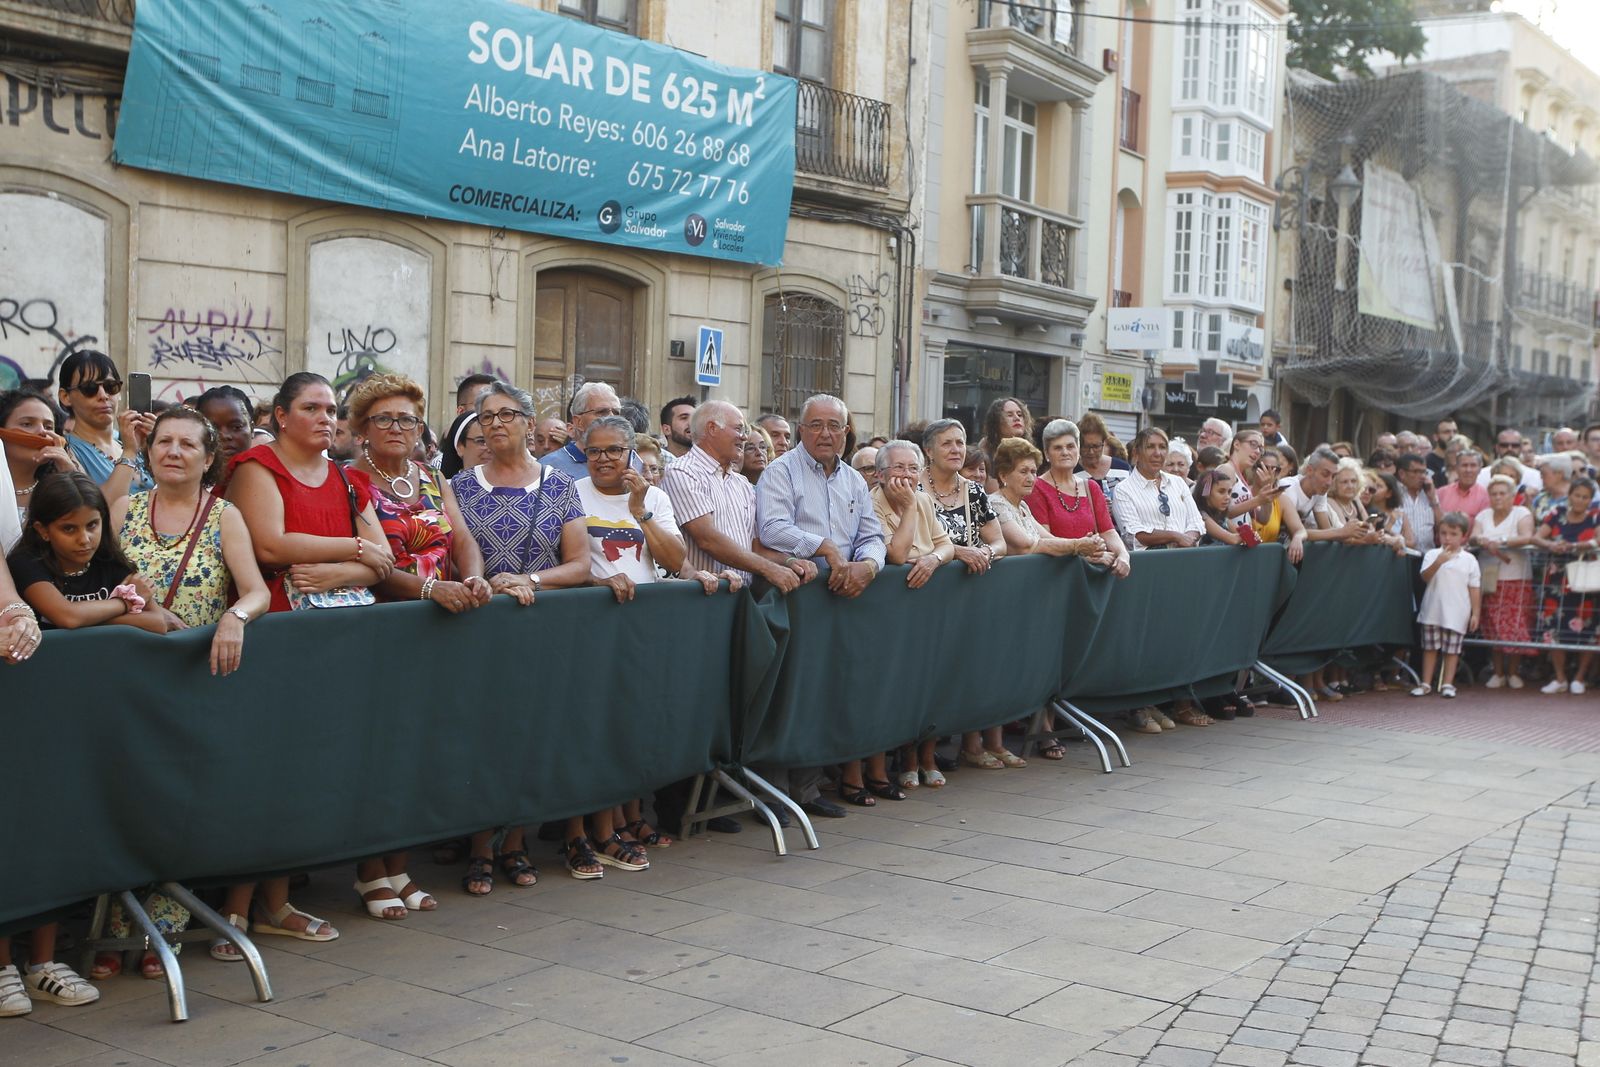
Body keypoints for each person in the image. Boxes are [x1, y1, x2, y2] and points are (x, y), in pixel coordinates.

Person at [227, 372, 396, 940]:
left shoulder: (349, 480)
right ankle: (238, 905)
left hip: (338, 637)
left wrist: (343, 566)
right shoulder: (257, 468)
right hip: (277, 634)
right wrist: (355, 549)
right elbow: (271, 544)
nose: (327, 417)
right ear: (279, 415)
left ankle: (274, 904)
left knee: (304, 771)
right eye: (311, 407)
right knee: (265, 772)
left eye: (331, 408)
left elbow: (387, 559)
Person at [450, 380, 595, 881]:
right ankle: (479, 847)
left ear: (530, 424)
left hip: (542, 630)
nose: (495, 424)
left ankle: (515, 843)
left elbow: (578, 566)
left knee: (531, 735)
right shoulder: (460, 487)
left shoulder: (560, 487)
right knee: (481, 737)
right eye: (486, 416)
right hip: (479, 633)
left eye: (506, 414)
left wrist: (529, 578)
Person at [660, 400, 811, 834]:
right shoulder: (683, 473)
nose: (745, 436)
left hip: (736, 606)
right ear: (709, 429)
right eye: (738, 428)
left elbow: (751, 543)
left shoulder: (742, 484)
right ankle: (677, 808)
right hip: (698, 607)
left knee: (726, 701)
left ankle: (715, 794)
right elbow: (707, 537)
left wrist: (791, 558)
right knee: (692, 702)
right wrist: (768, 567)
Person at [756, 394, 886, 819]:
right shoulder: (780, 471)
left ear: (848, 432)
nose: (826, 433)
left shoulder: (852, 479)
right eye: (816, 425)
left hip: (838, 599)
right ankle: (774, 795)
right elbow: (771, 527)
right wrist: (823, 547)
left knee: (823, 690)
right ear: (800, 429)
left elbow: (871, 535)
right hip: (793, 596)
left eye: (835, 425)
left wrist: (868, 565)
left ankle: (808, 789)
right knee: (788, 690)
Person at [921, 419, 1017, 769]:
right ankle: (922, 759)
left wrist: (985, 554)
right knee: (931, 676)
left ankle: (972, 745)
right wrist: (960, 552)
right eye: (947, 443)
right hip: (925, 596)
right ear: (928, 450)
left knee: (970, 671)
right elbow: (911, 544)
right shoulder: (914, 488)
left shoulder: (973, 490)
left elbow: (999, 542)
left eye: (960, 443)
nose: (956, 450)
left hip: (969, 596)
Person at [872, 441, 956, 792]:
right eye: (898, 468)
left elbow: (946, 544)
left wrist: (933, 560)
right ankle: (905, 759)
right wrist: (908, 510)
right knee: (898, 685)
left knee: (930, 680)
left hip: (929, 606)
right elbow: (896, 555)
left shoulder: (923, 500)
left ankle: (928, 757)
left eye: (912, 469)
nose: (906, 476)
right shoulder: (872, 503)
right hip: (891, 612)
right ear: (880, 474)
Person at [1023, 420, 1128, 575]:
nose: (1065, 452)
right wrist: (1084, 554)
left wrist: (1123, 555)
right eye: (1058, 448)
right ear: (1046, 454)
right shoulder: (1036, 489)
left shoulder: (1091, 487)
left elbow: (1108, 532)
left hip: (1091, 577)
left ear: (1078, 450)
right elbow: (1045, 542)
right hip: (1056, 576)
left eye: (1070, 446)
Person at [1532, 477, 1600, 694]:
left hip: (1586, 581)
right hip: (1556, 580)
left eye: (1585, 497)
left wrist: (1576, 546)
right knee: (1554, 627)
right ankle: (1560, 677)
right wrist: (1552, 544)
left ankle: (1579, 677)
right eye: (1577, 495)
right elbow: (1536, 537)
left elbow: (1598, 541)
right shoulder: (1555, 514)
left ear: (1591, 499)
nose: (1580, 500)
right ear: (1569, 495)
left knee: (1588, 628)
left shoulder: (1596, 516)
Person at [56, 349, 153, 497]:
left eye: (110, 387)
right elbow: (98, 509)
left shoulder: (129, 442)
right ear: (65, 397)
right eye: (90, 389)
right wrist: (129, 453)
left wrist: (156, 445)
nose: (103, 396)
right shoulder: (66, 452)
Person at [1471, 475, 1535, 690]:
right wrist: (1480, 540)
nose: (1498, 497)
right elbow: (1473, 536)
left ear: (1512, 496)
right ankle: (1498, 672)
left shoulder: (1522, 513)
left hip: (1517, 577)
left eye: (1502, 493)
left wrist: (1501, 542)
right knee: (1493, 627)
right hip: (1489, 578)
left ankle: (1513, 672)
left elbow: (1527, 537)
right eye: (1494, 493)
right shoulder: (1483, 515)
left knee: (1515, 626)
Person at [1412, 513, 1480, 699]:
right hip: (1432, 611)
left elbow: (1474, 588)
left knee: (1452, 650)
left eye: (1453, 534)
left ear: (1463, 536)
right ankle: (1426, 683)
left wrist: (1476, 613)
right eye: (1443, 533)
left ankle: (1448, 684)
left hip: (1458, 612)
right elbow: (1425, 577)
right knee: (1430, 648)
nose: (1447, 538)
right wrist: (1438, 562)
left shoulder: (1469, 560)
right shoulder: (1432, 554)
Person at [2, 388, 80, 545]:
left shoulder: (55, 489)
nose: (42, 432)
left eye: (49, 427)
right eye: (27, 424)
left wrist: (70, 477)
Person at [1111, 427, 1204, 552]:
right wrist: (1176, 537)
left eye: (1162, 447)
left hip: (1184, 558)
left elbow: (1196, 522)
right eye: (1150, 447)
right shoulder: (1123, 490)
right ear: (1136, 453)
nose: (1157, 453)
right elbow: (1135, 535)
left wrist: (1187, 540)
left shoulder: (1178, 483)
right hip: (1149, 563)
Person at [543, 381, 625, 481]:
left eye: (616, 413)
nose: (612, 417)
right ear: (578, 422)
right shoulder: (548, 469)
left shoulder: (629, 462)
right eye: (602, 412)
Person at [193, 386, 256, 465]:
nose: (224, 436)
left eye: (236, 427)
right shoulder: (183, 476)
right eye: (213, 429)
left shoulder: (268, 474)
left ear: (252, 429)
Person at [1074, 412, 1131, 495]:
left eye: (1096, 446)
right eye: (1086, 446)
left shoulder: (1123, 468)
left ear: (1104, 442)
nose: (1091, 452)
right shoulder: (1073, 473)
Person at [1396, 452, 1441, 552]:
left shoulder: (1429, 493)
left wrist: (1433, 499)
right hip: (1401, 556)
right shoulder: (1392, 494)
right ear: (1402, 474)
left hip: (1426, 556)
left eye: (1424, 472)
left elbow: (1442, 527)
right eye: (1416, 471)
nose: (1422, 476)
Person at [1193, 469, 1249, 545]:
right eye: (1221, 492)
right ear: (1206, 493)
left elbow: (1242, 535)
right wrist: (1247, 535)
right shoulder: (1201, 516)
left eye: (1229, 492)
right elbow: (1233, 539)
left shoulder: (1222, 518)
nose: (1227, 497)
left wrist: (1249, 534)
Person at [1438, 448, 1489, 519]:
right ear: (1456, 468)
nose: (1468, 470)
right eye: (1464, 465)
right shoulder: (1441, 493)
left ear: (1480, 469)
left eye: (1473, 465)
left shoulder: (1486, 497)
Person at [440, 410, 491, 479]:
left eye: (495, 441)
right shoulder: (447, 488)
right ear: (460, 447)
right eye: (481, 441)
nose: (491, 448)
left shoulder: (508, 487)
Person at [1529, 453, 1573, 519]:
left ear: (1559, 474)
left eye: (1543, 473)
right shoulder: (1540, 498)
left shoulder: (1577, 498)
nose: (1541, 477)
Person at [659, 396, 695, 461]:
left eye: (695, 418)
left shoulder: (709, 463)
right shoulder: (654, 462)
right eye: (684, 418)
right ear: (666, 429)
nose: (692, 423)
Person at [1427, 417, 1458, 487]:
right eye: (1447, 432)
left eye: (1455, 432)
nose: (1452, 436)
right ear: (1435, 437)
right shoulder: (1428, 462)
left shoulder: (1462, 460)